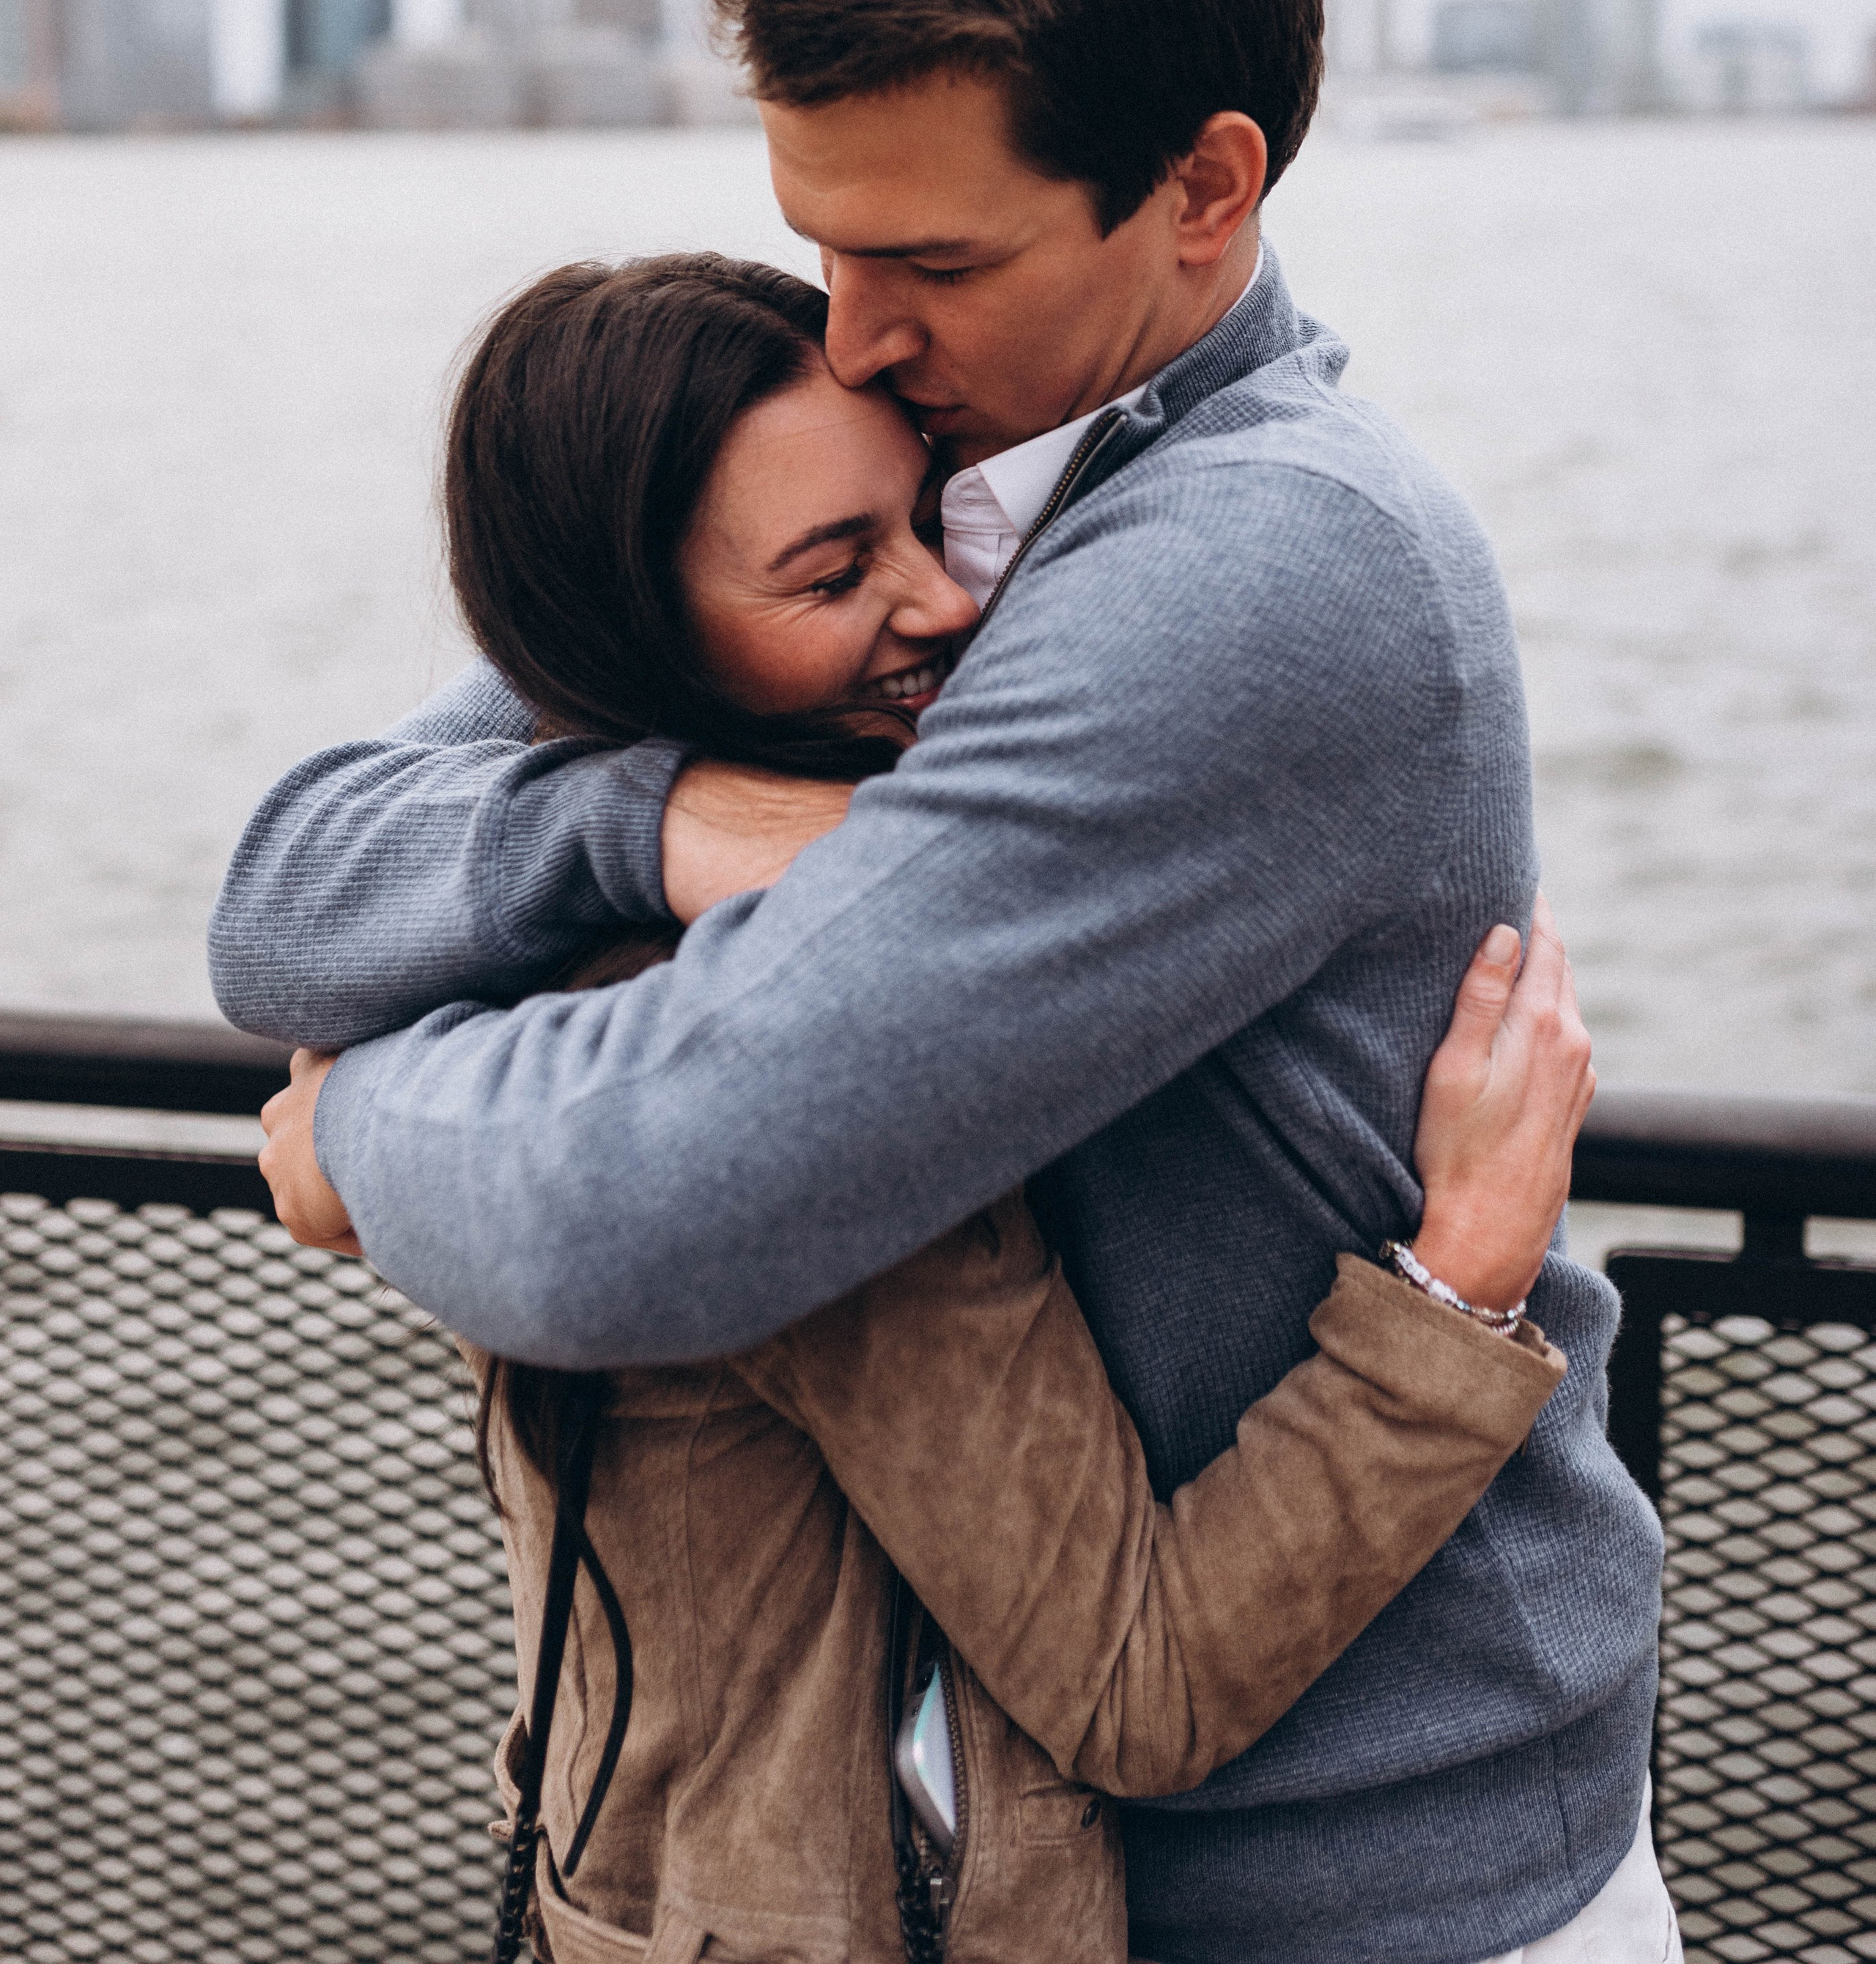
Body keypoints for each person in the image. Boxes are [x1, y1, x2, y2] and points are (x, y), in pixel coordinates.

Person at [218, 0, 1665, 1964]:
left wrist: (355, 1124)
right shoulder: (925, 463)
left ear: (1202, 188)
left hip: (1353, 1886)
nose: (852, 327)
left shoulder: (1267, 564)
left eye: (922, 257)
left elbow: (655, 1199)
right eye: (819, 244)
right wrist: (655, 806)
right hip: (1016, 1863)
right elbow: (295, 883)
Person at [389, 249, 1581, 1960]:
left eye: (922, 520)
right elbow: (1141, 1681)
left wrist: (343, 1118)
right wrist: (1458, 1287)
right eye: (829, 571)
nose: (947, 603)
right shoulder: (777, 1071)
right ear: (639, 639)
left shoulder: (516, 936)